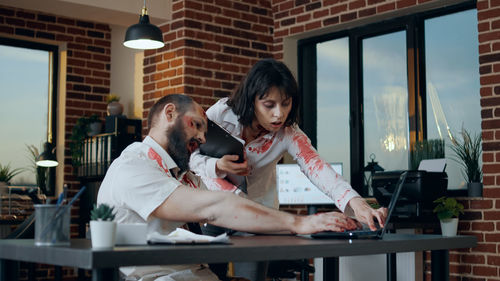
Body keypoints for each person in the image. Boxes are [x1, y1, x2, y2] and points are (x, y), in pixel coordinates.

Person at [97, 94, 359, 281]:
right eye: (197, 125)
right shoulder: (134, 166)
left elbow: (226, 208)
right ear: (169, 114)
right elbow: (217, 207)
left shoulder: (183, 176)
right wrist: (302, 223)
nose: (202, 138)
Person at [189, 59, 388, 280]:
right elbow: (189, 157)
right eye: (269, 105)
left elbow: (318, 168)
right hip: (215, 210)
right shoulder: (220, 114)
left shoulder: (289, 133)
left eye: (285, 103)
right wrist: (216, 166)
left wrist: (355, 201)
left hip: (259, 216)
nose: (279, 114)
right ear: (252, 99)